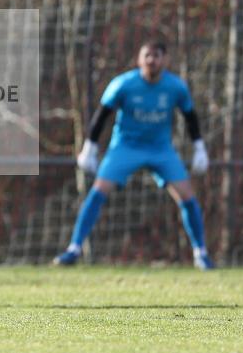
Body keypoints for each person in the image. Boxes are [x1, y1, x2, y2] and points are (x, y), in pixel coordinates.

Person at [54, 40, 213, 269]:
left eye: (157, 55)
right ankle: (74, 249)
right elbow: (102, 115)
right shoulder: (123, 84)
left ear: (165, 60)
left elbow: (190, 116)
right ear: (139, 59)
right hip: (125, 147)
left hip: (160, 149)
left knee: (187, 195)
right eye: (147, 55)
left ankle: (201, 253)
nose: (152, 60)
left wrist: (199, 147)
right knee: (99, 191)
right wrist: (90, 147)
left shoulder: (176, 87)